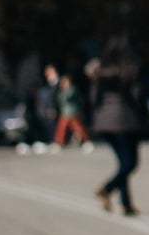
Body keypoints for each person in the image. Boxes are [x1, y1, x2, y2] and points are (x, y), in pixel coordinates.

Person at [87, 43, 143, 216]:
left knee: (123, 164)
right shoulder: (129, 72)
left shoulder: (100, 75)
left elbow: (94, 100)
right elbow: (138, 97)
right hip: (125, 122)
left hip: (105, 124)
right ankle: (106, 188)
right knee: (130, 163)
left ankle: (126, 204)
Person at [53, 71, 91, 150]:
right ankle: (59, 142)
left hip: (72, 112)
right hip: (64, 112)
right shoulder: (61, 91)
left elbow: (67, 97)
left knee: (77, 128)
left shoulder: (72, 90)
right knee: (61, 128)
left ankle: (86, 140)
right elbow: (59, 100)